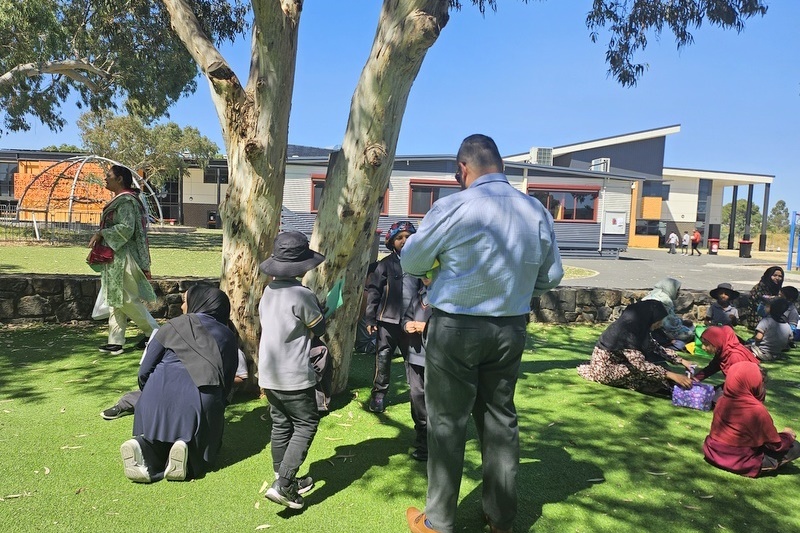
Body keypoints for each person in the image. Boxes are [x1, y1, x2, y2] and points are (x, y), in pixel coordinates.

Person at [400, 134, 564, 533]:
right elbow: (552, 275)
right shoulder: (535, 210)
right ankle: (501, 519)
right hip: (510, 327)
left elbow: (412, 258)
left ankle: (438, 521)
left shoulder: (453, 206)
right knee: (500, 420)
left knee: (446, 424)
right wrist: (522, 292)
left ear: (463, 169)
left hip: (456, 327)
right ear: (501, 165)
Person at [119, 285, 238, 483]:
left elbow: (144, 371)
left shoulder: (169, 327)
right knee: (206, 444)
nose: (183, 306)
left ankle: (141, 445)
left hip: (154, 395)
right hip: (199, 399)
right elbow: (226, 381)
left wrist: (148, 392)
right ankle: (187, 452)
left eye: (185, 301)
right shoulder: (227, 336)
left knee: (154, 436)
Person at [258, 231, 326, 510]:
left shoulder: (268, 291)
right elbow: (318, 328)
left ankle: (281, 472)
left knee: (281, 423)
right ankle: (284, 484)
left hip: (269, 374)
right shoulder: (302, 294)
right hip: (294, 375)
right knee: (306, 423)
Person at [89, 165, 158, 355]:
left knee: (126, 299)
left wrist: (101, 233)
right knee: (115, 299)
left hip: (123, 255)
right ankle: (115, 341)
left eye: (109, 176)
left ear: (120, 179)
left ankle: (155, 333)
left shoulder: (126, 201)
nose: (106, 179)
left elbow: (126, 228)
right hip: (115, 255)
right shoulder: (123, 200)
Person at [703, 362, 800, 477]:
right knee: (795, 447)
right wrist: (788, 435)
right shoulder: (756, 410)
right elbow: (775, 445)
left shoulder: (721, 401)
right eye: (760, 383)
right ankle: (771, 465)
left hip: (712, 453)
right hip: (740, 462)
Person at [577, 300, 694, 393]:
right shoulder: (627, 333)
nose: (660, 324)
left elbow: (655, 346)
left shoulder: (639, 328)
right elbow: (641, 366)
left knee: (656, 370)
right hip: (606, 369)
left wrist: (681, 360)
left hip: (618, 364)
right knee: (648, 375)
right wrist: (672, 375)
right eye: (658, 321)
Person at [364, 221, 420, 413]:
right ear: (391, 242)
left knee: (413, 359)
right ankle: (378, 395)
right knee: (383, 357)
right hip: (387, 322)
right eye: (399, 238)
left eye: (408, 237)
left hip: (411, 323)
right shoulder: (385, 264)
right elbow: (374, 291)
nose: (404, 240)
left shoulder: (421, 263)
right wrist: (370, 318)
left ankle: (417, 393)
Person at [402, 276, 432, 462]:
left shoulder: (445, 296)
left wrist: (427, 328)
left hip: (435, 358)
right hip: (414, 355)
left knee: (433, 401)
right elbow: (405, 316)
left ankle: (429, 444)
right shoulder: (418, 295)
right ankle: (421, 436)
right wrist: (406, 325)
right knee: (416, 396)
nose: (426, 277)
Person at [693, 326, 760, 390]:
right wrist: (693, 380)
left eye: (706, 344)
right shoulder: (722, 351)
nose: (703, 347)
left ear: (715, 342)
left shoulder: (734, 356)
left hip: (746, 390)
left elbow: (741, 384)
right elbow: (710, 369)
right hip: (736, 386)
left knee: (713, 396)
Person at [641, 278, 694, 348]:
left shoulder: (651, 295)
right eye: (677, 290)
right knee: (690, 332)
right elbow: (670, 326)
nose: (678, 293)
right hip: (654, 333)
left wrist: (681, 321)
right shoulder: (665, 301)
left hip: (643, 331)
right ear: (670, 289)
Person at [746, 266, 784, 330]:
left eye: (780, 276)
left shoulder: (777, 289)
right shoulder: (760, 288)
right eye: (774, 275)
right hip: (757, 318)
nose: (777, 278)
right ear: (768, 275)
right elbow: (761, 307)